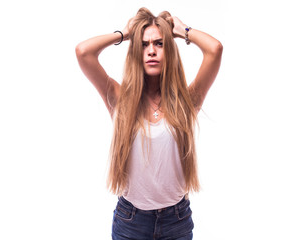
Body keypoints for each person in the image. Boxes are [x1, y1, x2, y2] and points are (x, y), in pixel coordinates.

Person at [75, 7, 222, 240]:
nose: (151, 51)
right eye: (144, 44)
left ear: (169, 49)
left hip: (177, 220)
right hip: (130, 220)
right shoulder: (119, 98)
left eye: (159, 44)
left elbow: (214, 49)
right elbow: (83, 52)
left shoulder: (187, 101)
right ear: (136, 50)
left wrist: (182, 31)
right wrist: (124, 34)